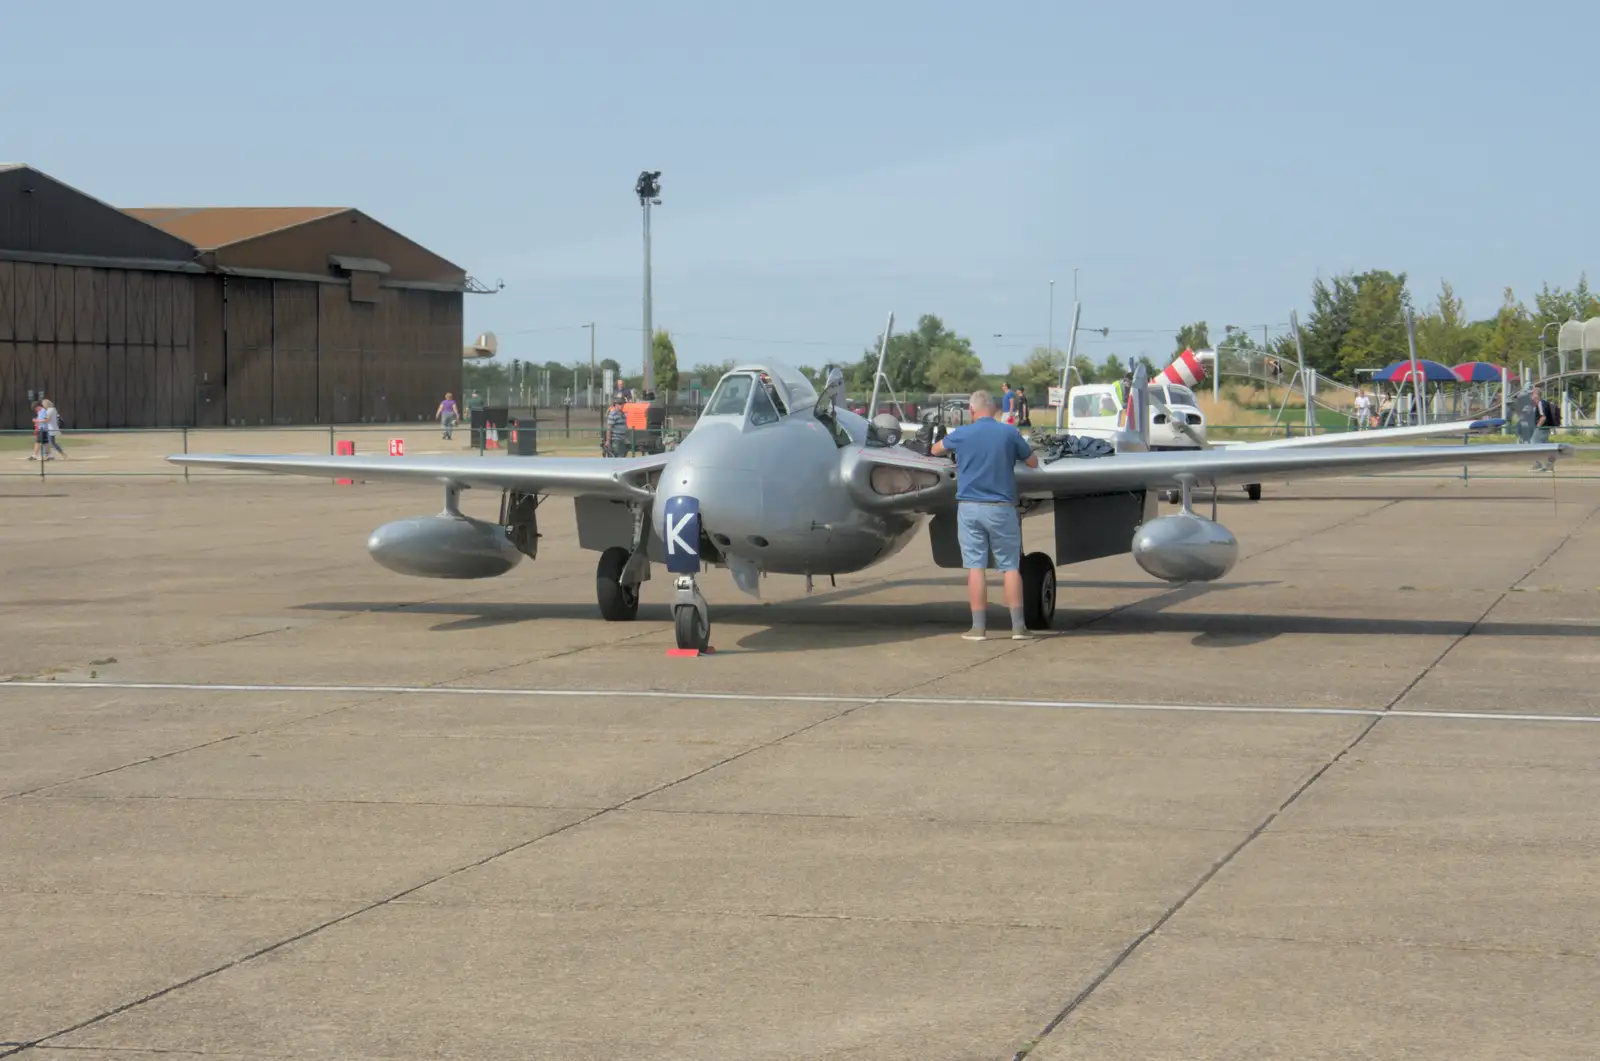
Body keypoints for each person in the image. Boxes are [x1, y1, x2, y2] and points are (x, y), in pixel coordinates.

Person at [930, 389, 1041, 640]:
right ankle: (1018, 627)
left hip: (969, 507)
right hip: (1001, 507)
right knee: (1010, 567)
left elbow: (935, 449)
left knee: (975, 567)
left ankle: (978, 628)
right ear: (994, 410)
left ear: (971, 410)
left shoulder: (962, 433)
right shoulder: (1009, 432)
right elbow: (1033, 462)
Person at [1528, 387, 1558, 471]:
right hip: (1545, 428)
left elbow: (1543, 417)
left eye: (1532, 394)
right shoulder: (1542, 403)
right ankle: (1545, 463)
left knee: (1534, 444)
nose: (1531, 396)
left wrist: (1537, 427)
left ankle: (1543, 464)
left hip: (1542, 428)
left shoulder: (1540, 403)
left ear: (1536, 395)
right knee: (1544, 446)